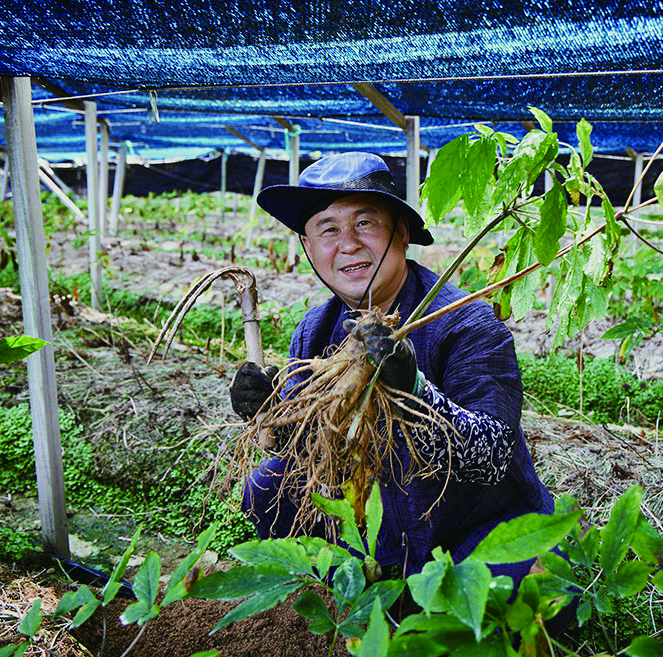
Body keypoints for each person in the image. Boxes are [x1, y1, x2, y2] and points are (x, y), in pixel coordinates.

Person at [230, 152, 569, 624]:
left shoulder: (466, 323)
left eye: (364, 223)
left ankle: (421, 597)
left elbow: (490, 455)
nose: (347, 244)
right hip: (376, 523)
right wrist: (272, 416)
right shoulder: (315, 330)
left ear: (401, 234)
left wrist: (414, 389)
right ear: (307, 245)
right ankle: (351, 594)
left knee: (529, 595)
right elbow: (314, 451)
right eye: (328, 229)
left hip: (468, 527)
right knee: (266, 486)